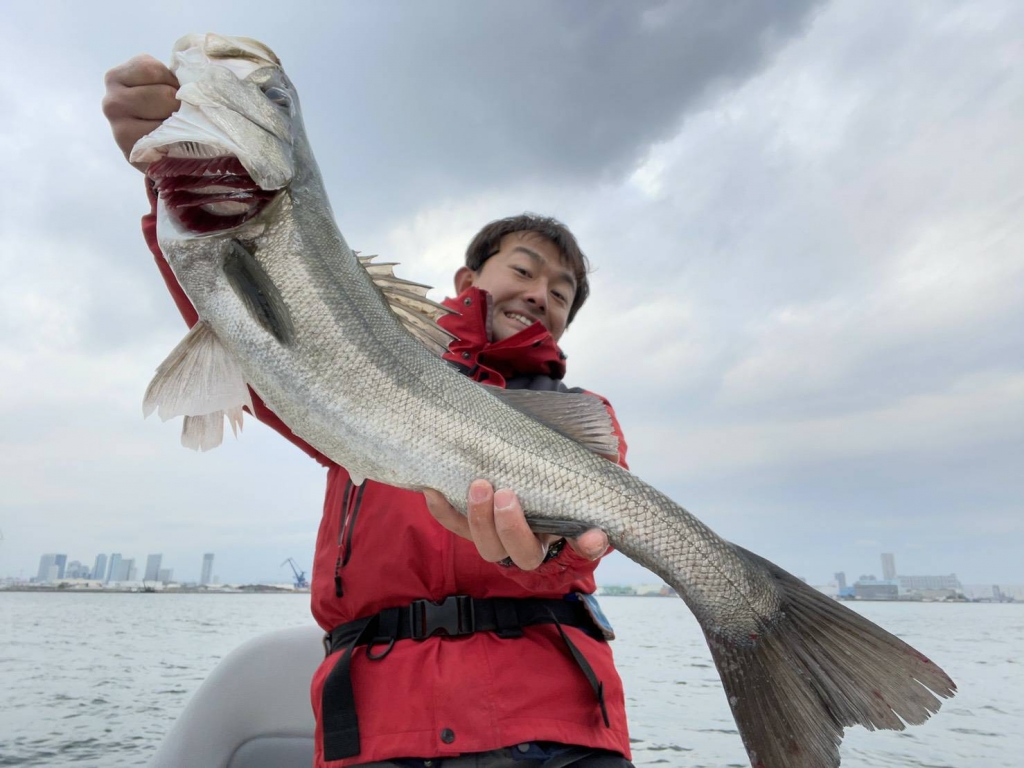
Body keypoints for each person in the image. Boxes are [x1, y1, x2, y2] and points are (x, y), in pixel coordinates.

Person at [103, 54, 635, 768]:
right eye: (525, 268)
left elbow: (574, 563)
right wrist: (173, 176)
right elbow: (259, 337)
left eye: (563, 291)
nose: (541, 293)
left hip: (555, 729)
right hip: (380, 731)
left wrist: (551, 552)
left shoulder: (583, 415)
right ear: (468, 278)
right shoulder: (352, 382)